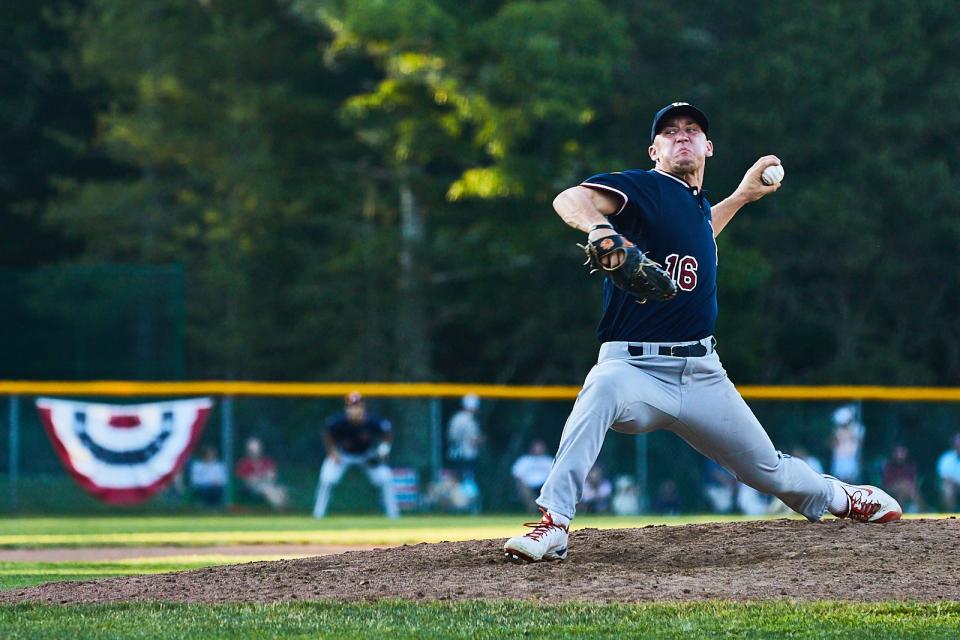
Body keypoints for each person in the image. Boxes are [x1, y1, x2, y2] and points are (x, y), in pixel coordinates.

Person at [503, 102, 902, 563]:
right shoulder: (647, 188)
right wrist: (599, 228)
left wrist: (740, 198)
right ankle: (554, 523)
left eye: (691, 129)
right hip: (635, 368)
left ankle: (839, 498)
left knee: (767, 469)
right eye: (670, 132)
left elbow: (699, 234)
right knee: (602, 386)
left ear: (708, 146)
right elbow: (569, 198)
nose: (682, 136)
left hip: (702, 373)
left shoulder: (695, 207)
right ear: (654, 150)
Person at [312, 391, 399, 519]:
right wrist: (332, 452)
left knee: (386, 478)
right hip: (343, 455)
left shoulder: (371, 420)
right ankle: (318, 516)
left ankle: (394, 516)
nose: (354, 409)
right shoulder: (339, 421)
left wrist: (384, 449)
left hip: (366, 455)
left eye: (357, 406)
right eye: (351, 406)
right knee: (327, 479)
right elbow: (326, 432)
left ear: (363, 407)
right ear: (347, 407)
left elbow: (388, 430)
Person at [235, 437, 289, 510]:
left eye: (257, 448)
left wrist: (260, 477)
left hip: (269, 484)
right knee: (267, 490)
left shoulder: (267, 461)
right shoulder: (244, 463)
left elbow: (272, 476)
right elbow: (248, 481)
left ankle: (284, 510)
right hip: (251, 489)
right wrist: (263, 477)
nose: (255, 451)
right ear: (248, 450)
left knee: (282, 490)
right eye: (252, 449)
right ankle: (282, 510)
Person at [447, 394, 484, 481]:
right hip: (467, 457)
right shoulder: (470, 420)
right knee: (468, 483)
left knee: (456, 482)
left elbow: (451, 437)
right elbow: (473, 441)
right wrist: (481, 440)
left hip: (455, 455)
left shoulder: (456, 418)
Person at [510, 439, 554, 511]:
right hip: (528, 486)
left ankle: (547, 511)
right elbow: (517, 476)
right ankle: (532, 511)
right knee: (523, 488)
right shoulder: (524, 460)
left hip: (544, 486)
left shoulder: (548, 461)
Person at [882, 444, 922, 514]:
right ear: (894, 453)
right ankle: (921, 508)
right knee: (902, 487)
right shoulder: (889, 466)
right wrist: (901, 483)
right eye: (898, 452)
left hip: (907, 490)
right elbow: (887, 483)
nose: (900, 454)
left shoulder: (910, 466)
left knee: (901, 492)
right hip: (891, 489)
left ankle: (902, 512)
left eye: (902, 452)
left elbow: (913, 482)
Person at [830, 405, 865, 483]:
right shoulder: (837, 429)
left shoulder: (858, 428)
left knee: (851, 482)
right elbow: (833, 443)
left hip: (851, 458)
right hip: (839, 458)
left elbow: (859, 443)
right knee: (839, 481)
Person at [936, 433, 960, 512]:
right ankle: (949, 516)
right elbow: (944, 478)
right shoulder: (946, 458)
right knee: (947, 489)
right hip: (953, 486)